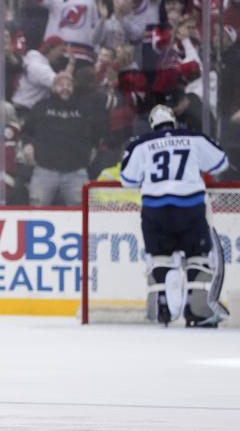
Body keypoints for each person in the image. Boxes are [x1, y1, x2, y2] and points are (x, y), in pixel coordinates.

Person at [119, 104, 229, 327]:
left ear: (152, 124)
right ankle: (196, 310)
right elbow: (220, 162)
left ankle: (163, 308)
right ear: (173, 120)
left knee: (159, 258)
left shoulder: (140, 144)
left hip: (154, 209)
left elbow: (127, 180)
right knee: (197, 257)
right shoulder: (193, 137)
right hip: (190, 207)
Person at [22, 72, 100, 206]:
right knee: (36, 211)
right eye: (61, 84)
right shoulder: (41, 106)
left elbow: (96, 133)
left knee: (82, 215)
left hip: (76, 172)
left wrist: (93, 149)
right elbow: (26, 131)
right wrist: (27, 145)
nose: (65, 88)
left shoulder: (84, 108)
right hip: (44, 171)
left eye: (69, 85)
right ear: (53, 88)